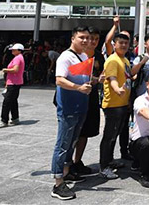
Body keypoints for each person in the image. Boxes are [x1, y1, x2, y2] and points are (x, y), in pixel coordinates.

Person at [51, 27, 93, 201]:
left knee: (72, 142)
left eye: (87, 38)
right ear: (73, 38)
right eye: (81, 37)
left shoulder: (83, 56)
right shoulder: (65, 57)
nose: (85, 40)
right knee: (62, 144)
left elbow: (84, 79)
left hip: (81, 107)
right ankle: (58, 183)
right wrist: (78, 87)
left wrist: (97, 80)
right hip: (68, 108)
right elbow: (59, 80)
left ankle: (66, 172)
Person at [71, 27, 105, 177]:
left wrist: (99, 79)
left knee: (85, 132)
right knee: (72, 133)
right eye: (89, 38)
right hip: (74, 97)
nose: (92, 41)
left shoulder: (99, 56)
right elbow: (71, 76)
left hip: (90, 98)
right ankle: (67, 165)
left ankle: (77, 161)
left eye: (96, 39)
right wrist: (95, 79)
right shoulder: (76, 55)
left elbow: (101, 74)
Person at [99, 33, 132, 179]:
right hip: (113, 105)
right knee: (109, 136)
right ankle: (104, 166)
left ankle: (110, 161)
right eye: (120, 43)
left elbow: (127, 78)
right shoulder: (112, 60)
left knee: (114, 135)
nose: (123, 45)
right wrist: (117, 89)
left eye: (126, 43)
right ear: (114, 44)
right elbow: (112, 78)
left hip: (122, 104)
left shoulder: (125, 60)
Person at [0, 43, 25, 129]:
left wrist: (6, 70)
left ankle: (4, 120)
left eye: (14, 49)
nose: (12, 51)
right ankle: (15, 118)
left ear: (19, 50)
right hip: (16, 82)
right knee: (13, 101)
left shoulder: (17, 58)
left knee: (7, 102)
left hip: (13, 82)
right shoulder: (20, 57)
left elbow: (15, 70)